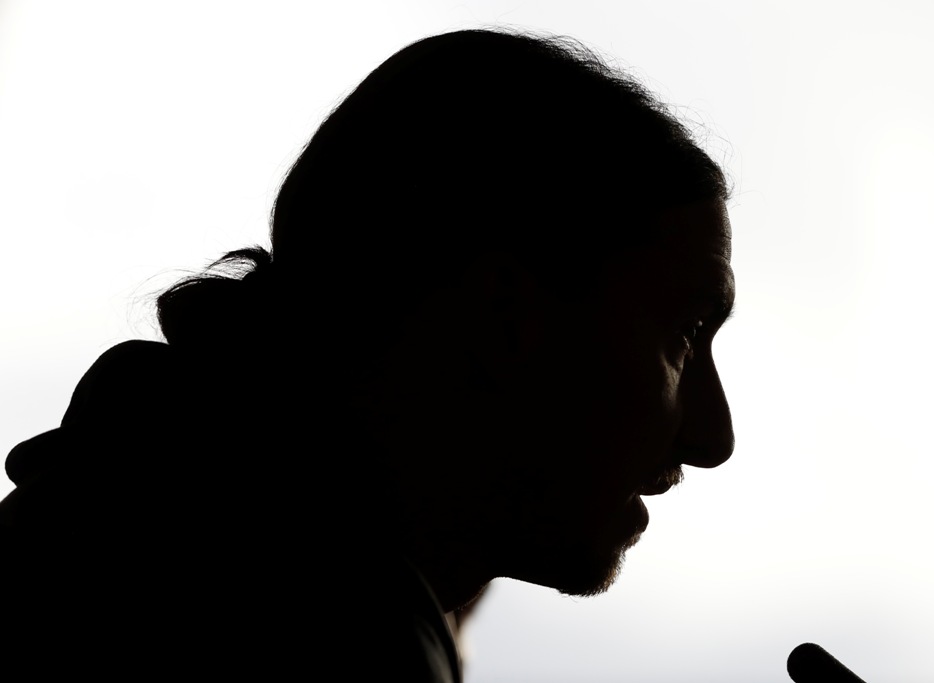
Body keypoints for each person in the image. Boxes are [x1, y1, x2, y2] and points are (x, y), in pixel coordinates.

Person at [0, 27, 734, 680]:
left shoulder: (107, 542)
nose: (712, 436)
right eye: (686, 331)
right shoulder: (312, 621)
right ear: (506, 314)